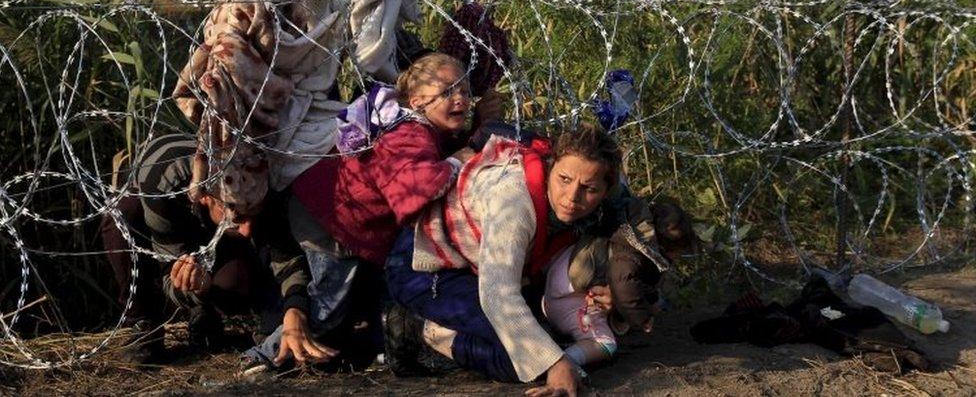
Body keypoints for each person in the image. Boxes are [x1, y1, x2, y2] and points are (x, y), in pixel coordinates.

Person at [242, 53, 502, 370]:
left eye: (464, 90)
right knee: (327, 310)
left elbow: (430, 157)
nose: (459, 98)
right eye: (447, 91)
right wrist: (458, 160)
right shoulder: (408, 132)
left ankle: (379, 345)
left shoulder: (413, 124)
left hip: (331, 210)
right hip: (333, 222)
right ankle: (265, 356)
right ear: (418, 100)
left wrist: (477, 131)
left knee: (351, 304)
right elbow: (416, 189)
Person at [384, 123, 623, 397]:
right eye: (564, 180)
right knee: (522, 360)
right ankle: (416, 329)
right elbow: (498, 295)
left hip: (478, 270)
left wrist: (611, 293)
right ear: (550, 166)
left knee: (540, 341)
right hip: (424, 268)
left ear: (606, 190)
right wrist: (554, 364)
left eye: (589, 188)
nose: (572, 197)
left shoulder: (604, 208)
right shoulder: (513, 200)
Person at [100, 134, 332, 364]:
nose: (246, 231)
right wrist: (196, 289)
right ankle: (144, 322)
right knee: (121, 215)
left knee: (234, 278)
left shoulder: (256, 177)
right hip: (172, 219)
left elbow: (287, 259)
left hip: (220, 239)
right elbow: (169, 279)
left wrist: (296, 308)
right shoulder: (161, 183)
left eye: (252, 214)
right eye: (237, 217)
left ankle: (224, 309)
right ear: (205, 198)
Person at [543, 200, 696, 369]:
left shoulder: (621, 232)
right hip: (567, 303)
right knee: (605, 344)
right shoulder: (631, 256)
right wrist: (642, 318)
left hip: (551, 292)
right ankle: (565, 362)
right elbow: (623, 284)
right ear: (666, 248)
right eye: (678, 253)